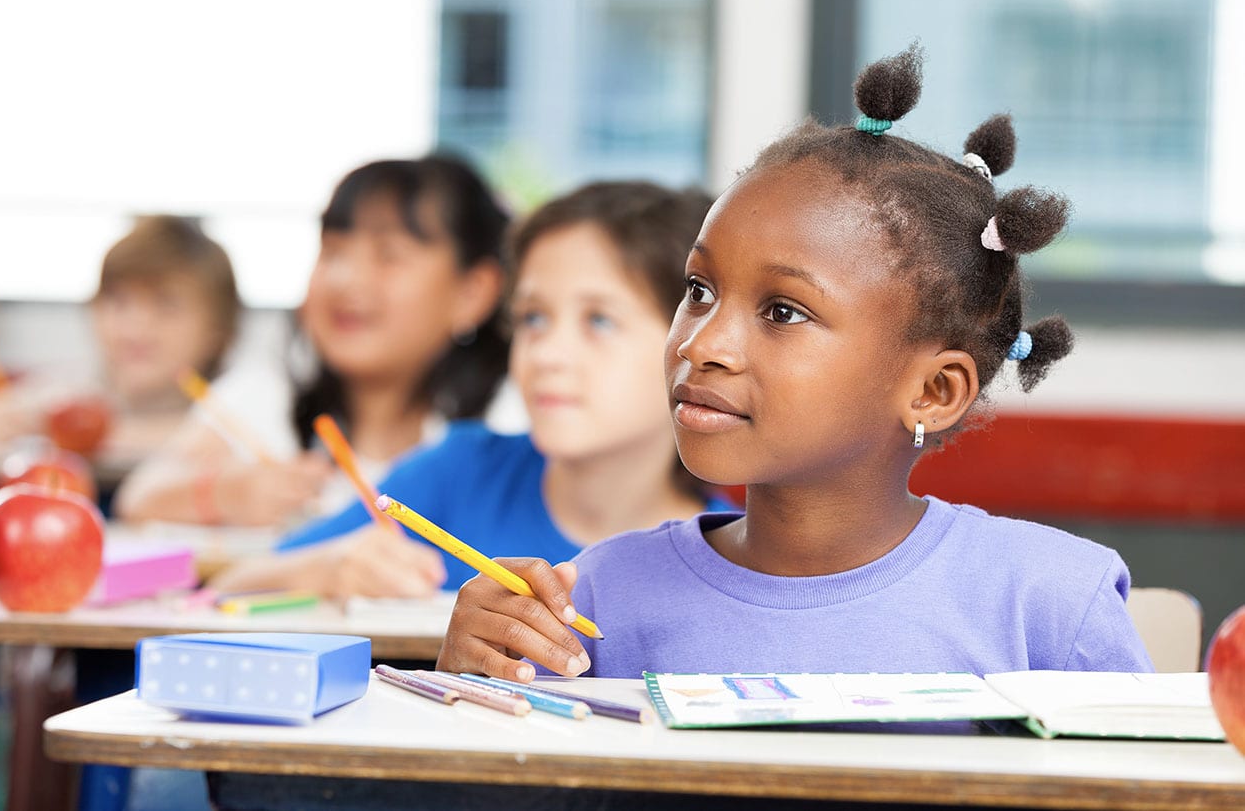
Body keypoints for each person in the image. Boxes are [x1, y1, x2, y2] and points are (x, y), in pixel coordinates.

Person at [436, 45, 1155, 682]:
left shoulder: (1050, 605)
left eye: (783, 311)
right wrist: (469, 687)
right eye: (699, 291)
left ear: (935, 391)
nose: (701, 343)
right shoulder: (593, 599)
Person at [209, 181, 735, 600]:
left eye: (598, 321)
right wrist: (327, 568)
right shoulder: (456, 472)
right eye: (532, 318)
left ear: (692, 339)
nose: (546, 353)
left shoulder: (730, 548)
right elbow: (227, 590)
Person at [113, 156, 508, 546]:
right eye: (332, 252)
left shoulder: (507, 423)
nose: (344, 278)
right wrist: (225, 495)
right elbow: (138, 498)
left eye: (389, 256)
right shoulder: (268, 395)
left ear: (472, 292)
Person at [0, 215, 240, 455]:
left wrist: (96, 435)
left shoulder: (236, 400)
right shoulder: (72, 391)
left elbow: (228, 440)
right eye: (118, 301)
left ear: (217, 331)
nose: (135, 325)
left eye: (166, 305)